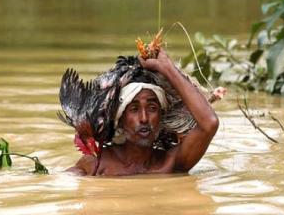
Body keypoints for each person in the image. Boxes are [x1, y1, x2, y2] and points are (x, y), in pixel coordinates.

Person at [66, 49, 219, 176]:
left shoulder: (171, 164)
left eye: (152, 108)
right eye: (134, 109)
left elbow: (209, 123)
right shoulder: (96, 164)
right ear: (119, 119)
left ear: (161, 116)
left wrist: (167, 68)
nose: (144, 118)